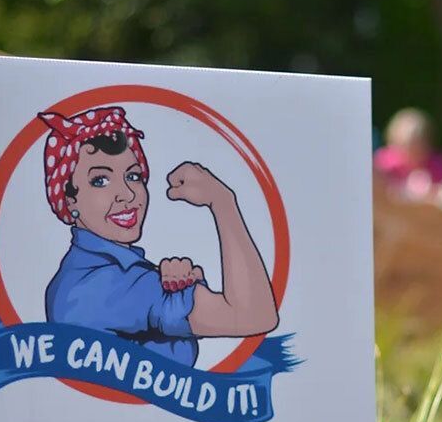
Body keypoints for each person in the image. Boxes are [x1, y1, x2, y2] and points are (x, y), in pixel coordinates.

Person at [39, 106, 278, 367]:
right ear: (69, 199)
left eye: (133, 176)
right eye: (100, 181)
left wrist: (182, 293)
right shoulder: (106, 283)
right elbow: (255, 315)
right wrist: (222, 201)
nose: (128, 194)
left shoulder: (91, 274)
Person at [374, 108, 442, 202]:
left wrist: (431, 190)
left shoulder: (438, 164)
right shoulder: (384, 162)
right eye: (407, 146)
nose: (415, 150)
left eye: (420, 144)